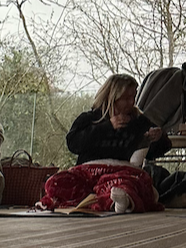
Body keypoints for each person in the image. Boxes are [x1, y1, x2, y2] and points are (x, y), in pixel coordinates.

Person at [40, 73, 171, 213]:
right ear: (112, 97)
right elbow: (73, 144)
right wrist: (107, 126)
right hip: (87, 172)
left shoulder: (138, 121)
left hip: (120, 172)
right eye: (126, 98)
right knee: (54, 182)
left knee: (127, 184)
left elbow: (159, 149)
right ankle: (101, 201)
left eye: (133, 97)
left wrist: (158, 138)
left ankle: (118, 201)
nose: (131, 102)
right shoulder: (90, 118)